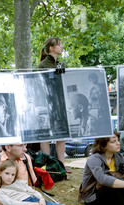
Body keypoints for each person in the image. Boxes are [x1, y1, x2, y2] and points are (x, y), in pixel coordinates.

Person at [38, 37, 71, 174]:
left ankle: (61, 164)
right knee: (45, 134)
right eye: (59, 45)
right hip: (46, 103)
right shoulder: (42, 65)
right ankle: (46, 164)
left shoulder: (62, 64)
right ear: (51, 48)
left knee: (61, 134)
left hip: (61, 103)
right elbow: (40, 85)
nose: (62, 47)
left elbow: (68, 83)